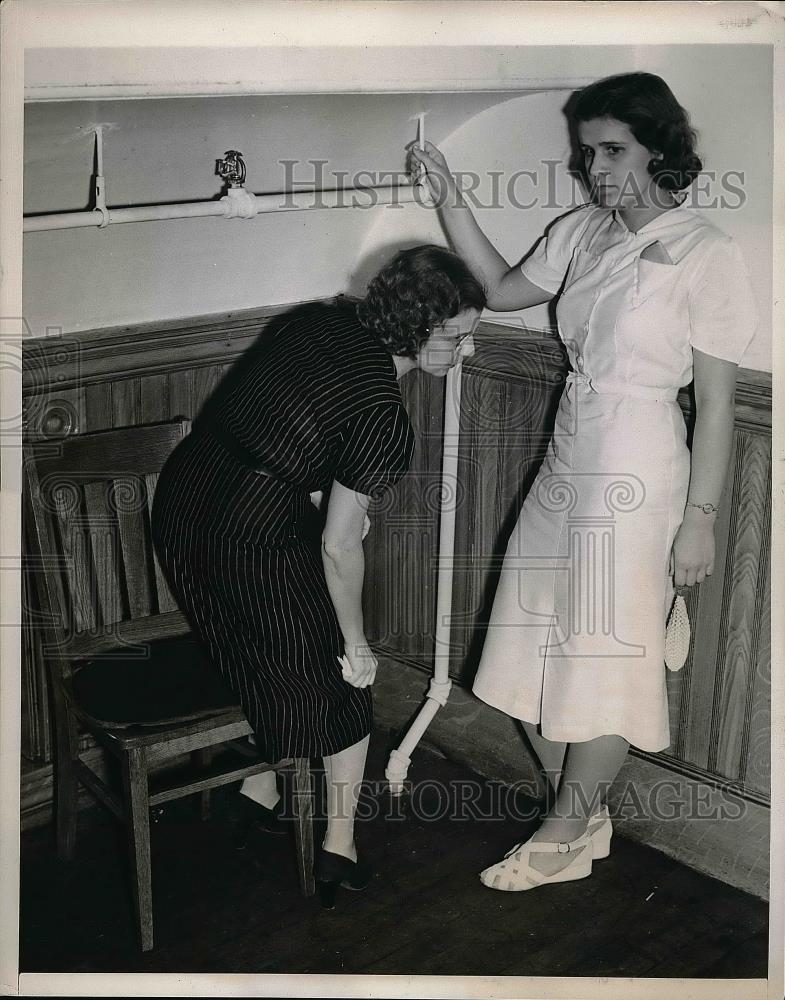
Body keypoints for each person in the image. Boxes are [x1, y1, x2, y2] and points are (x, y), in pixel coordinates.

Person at [409, 72, 758, 890]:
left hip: (638, 462)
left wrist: (699, 518)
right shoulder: (581, 230)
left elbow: (713, 403)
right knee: (527, 641)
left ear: (658, 149)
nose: (596, 168)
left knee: (602, 651)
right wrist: (451, 196)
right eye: (586, 152)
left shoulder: (707, 251)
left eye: (613, 150)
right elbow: (496, 293)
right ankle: (586, 815)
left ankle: (563, 832)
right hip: (568, 451)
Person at [151, 245, 485, 906]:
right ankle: (337, 847)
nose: (466, 349)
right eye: (455, 335)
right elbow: (338, 547)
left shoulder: (314, 324)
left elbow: (276, 425)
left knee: (254, 645)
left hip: (186, 499)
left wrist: (317, 505)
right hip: (247, 530)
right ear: (415, 325)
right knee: (338, 675)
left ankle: (262, 786)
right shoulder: (385, 417)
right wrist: (356, 641)